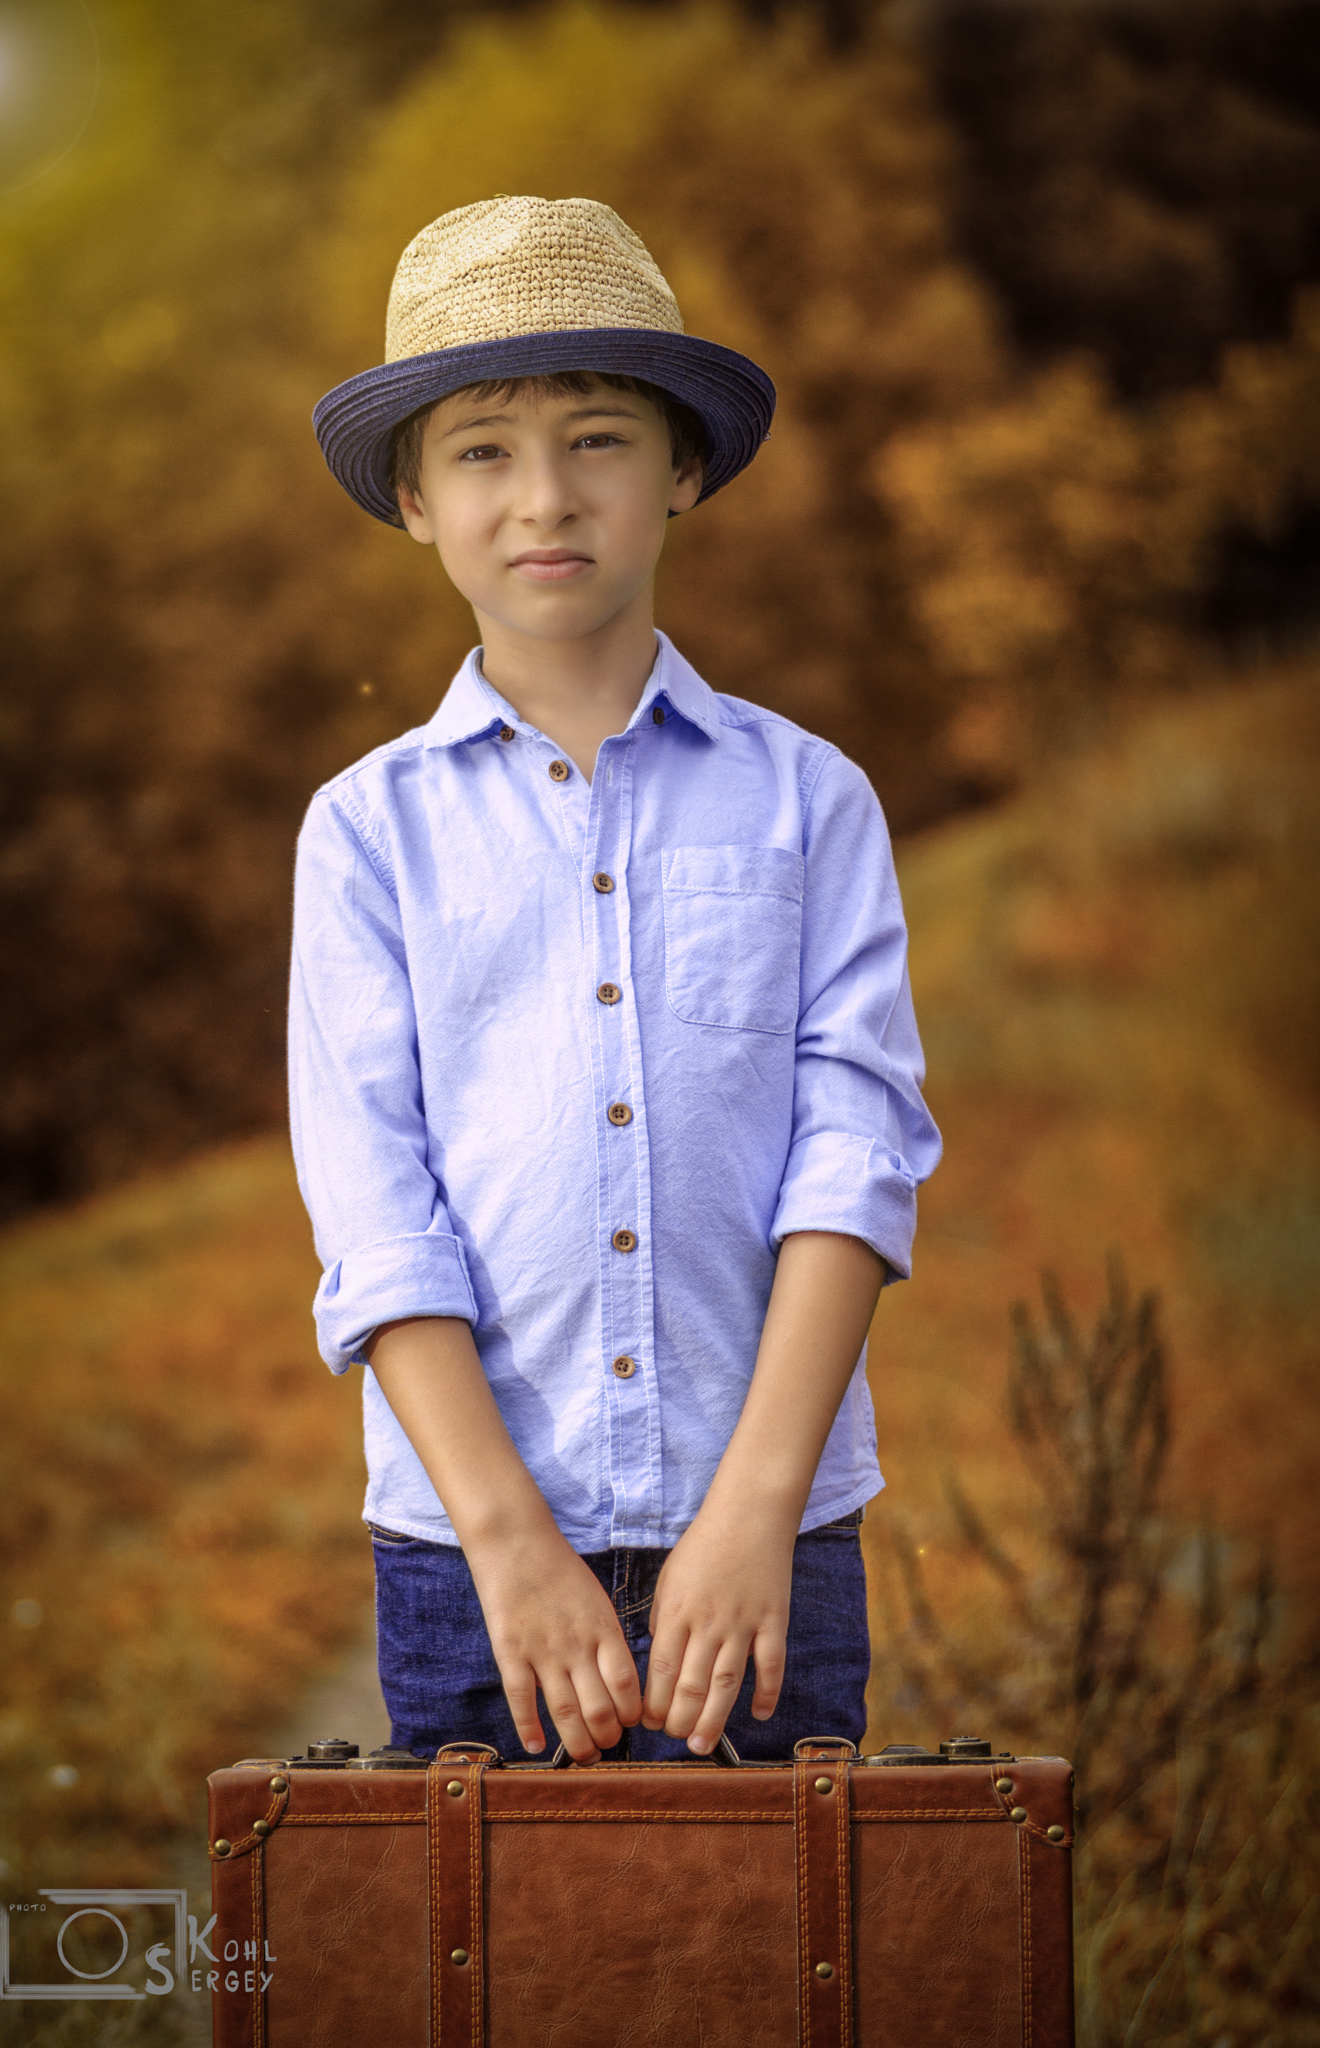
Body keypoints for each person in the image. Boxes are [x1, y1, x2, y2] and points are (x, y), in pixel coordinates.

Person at [290, 195, 942, 1766]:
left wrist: (756, 1510)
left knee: (776, 1977)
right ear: (411, 499)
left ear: (681, 472)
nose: (543, 498)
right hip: (469, 1561)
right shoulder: (366, 830)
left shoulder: (808, 800)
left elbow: (853, 1160)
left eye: (596, 439)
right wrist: (511, 1543)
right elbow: (376, 1212)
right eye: (481, 452)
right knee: (488, 1977)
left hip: (767, 1542)